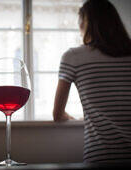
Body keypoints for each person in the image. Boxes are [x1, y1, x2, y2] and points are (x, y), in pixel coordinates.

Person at [53, 0, 131, 163]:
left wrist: (81, 118)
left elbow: (58, 115)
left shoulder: (73, 57)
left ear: (84, 24)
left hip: (101, 157)